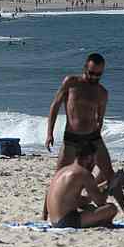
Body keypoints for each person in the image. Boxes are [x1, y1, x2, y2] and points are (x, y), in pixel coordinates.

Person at [43, 53, 117, 218]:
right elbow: (55, 106)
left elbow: (100, 118)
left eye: (99, 74)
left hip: (92, 137)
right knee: (58, 176)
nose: (94, 77)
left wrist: (97, 137)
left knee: (109, 172)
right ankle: (44, 215)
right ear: (85, 68)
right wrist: (49, 133)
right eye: (91, 73)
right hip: (72, 137)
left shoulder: (101, 92)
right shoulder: (71, 82)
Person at [45, 142, 118, 229]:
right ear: (89, 157)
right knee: (111, 208)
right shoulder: (84, 174)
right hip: (67, 222)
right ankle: (102, 223)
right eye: (94, 158)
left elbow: (79, 200)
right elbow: (101, 202)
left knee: (89, 207)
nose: (95, 162)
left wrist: (103, 186)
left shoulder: (63, 170)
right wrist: (110, 186)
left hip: (53, 221)